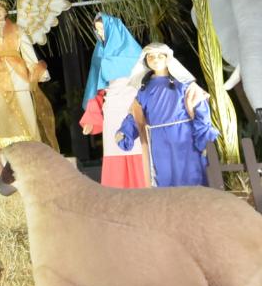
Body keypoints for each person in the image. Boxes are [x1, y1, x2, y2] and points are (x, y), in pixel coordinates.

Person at [116, 44, 218, 187]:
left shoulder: (184, 84)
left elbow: (200, 109)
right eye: (151, 57)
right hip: (160, 142)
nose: (155, 60)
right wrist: (125, 132)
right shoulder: (144, 90)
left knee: (192, 175)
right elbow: (136, 115)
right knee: (165, 178)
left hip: (185, 137)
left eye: (160, 56)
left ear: (168, 58)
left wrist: (205, 137)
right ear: (145, 61)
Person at [0, 0, 57, 147]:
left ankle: (31, 143)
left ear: (6, 12)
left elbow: (27, 51)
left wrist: (38, 71)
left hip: (17, 72)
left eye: (0, 9)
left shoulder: (17, 29)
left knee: (24, 105)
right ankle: (2, 145)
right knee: (0, 109)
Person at [79, 13, 146, 188]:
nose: (100, 34)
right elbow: (96, 90)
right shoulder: (99, 55)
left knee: (138, 147)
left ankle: (144, 190)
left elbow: (146, 85)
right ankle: (117, 192)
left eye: (103, 29)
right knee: (114, 149)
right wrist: (91, 119)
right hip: (112, 108)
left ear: (114, 30)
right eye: (97, 30)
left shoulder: (136, 53)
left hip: (133, 106)